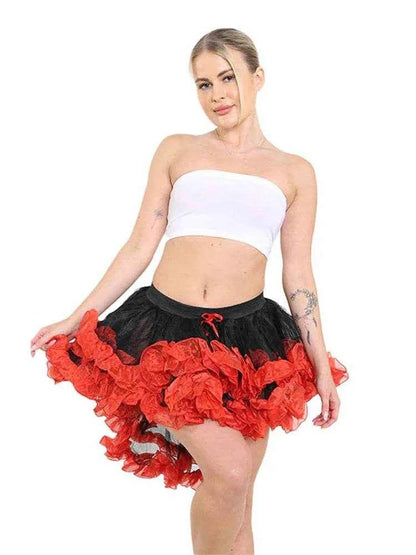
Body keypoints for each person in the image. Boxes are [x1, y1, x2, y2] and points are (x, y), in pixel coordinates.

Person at [30, 28, 349, 555]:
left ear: (257, 78)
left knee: (241, 497)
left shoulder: (295, 172)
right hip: (166, 334)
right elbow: (139, 245)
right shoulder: (177, 150)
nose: (217, 95)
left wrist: (320, 364)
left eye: (227, 78)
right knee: (229, 473)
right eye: (203, 84)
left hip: (249, 341)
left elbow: (298, 274)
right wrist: (77, 316)